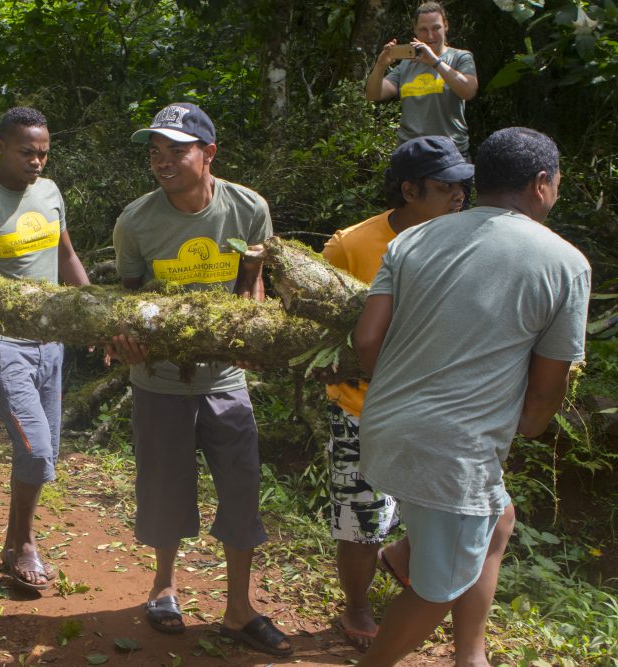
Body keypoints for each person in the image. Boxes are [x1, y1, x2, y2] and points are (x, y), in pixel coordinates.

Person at [353, 127, 591, 666]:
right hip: (452, 448)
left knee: (498, 518)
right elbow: (548, 383)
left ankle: (470, 655)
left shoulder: (412, 238)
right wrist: (530, 424)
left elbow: (367, 339)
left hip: (384, 424)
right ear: (540, 184)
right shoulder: (564, 262)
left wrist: (400, 390)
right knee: (438, 591)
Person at [107, 103, 291, 657]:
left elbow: (251, 284)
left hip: (225, 381)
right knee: (163, 486)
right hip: (158, 379)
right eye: (155, 152)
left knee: (240, 488)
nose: (163, 161)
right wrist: (128, 336)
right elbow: (128, 301)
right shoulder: (135, 221)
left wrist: (253, 333)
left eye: (177, 150)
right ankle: (164, 586)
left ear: (208, 153)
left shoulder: (247, 208)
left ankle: (239, 608)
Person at [321, 135, 473, 650]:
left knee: (447, 510)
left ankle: (403, 561)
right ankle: (357, 605)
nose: (458, 196)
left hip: (437, 409)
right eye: (444, 186)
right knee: (360, 519)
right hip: (361, 409)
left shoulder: (466, 240)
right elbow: (317, 332)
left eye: (462, 186)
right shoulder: (351, 246)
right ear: (409, 190)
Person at [0, 107, 89, 592]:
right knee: (38, 449)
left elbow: (66, 255)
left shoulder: (49, 193)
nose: (36, 161)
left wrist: (93, 312)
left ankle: (13, 543)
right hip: (3, 346)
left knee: (41, 453)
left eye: (43, 153)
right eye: (27, 151)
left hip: (52, 345)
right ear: (1, 147)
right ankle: (24, 544)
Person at [366, 2, 478, 158]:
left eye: (436, 28)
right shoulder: (406, 65)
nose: (430, 35)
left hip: (449, 155)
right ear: (415, 31)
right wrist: (380, 66)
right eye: (424, 30)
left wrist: (435, 62)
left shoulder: (460, 58)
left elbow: (468, 91)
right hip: (411, 155)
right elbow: (373, 94)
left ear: (446, 26)